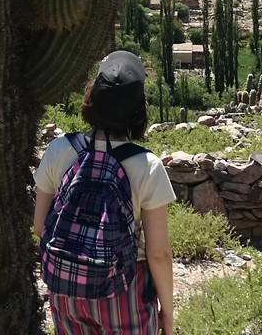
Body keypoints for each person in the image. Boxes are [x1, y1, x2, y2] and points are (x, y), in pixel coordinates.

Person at [34, 51, 176, 335]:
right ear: (139, 110)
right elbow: (158, 253)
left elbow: (40, 227)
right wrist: (168, 313)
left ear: (92, 98)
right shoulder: (148, 167)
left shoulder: (58, 150)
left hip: (66, 289)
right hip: (124, 292)